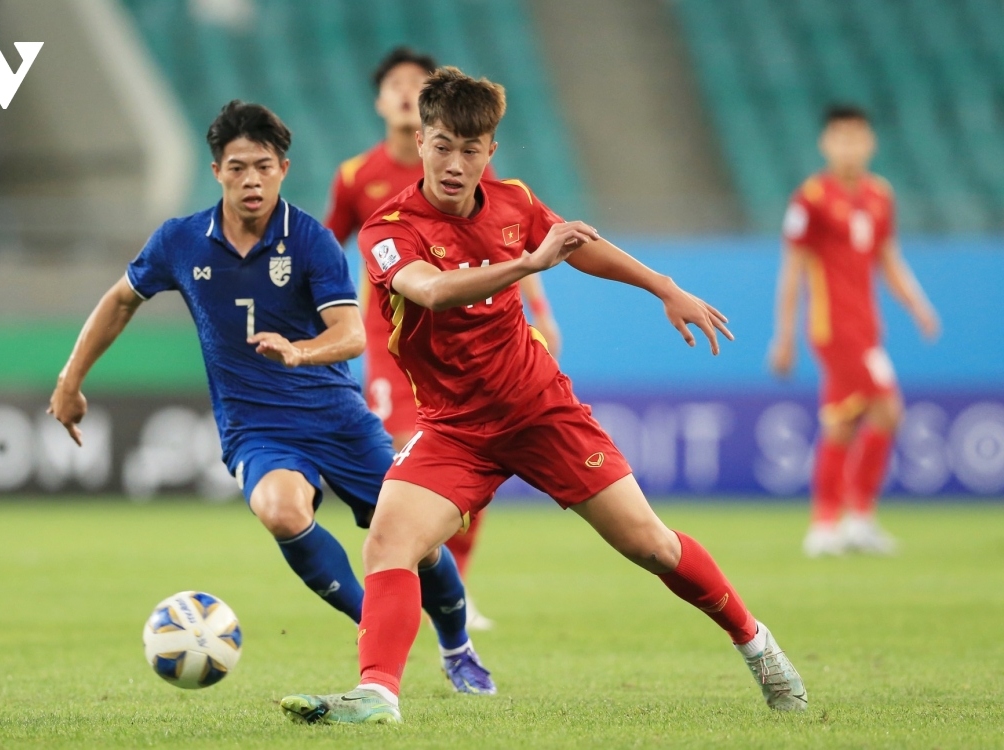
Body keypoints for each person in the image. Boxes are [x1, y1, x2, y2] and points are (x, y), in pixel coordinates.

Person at [279, 67, 807, 725]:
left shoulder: (513, 203)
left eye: (470, 150)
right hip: (456, 428)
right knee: (388, 542)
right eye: (442, 144)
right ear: (422, 142)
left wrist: (663, 286)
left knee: (651, 545)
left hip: (539, 411)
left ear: (489, 153)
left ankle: (756, 644)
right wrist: (530, 263)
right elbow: (433, 291)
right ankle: (378, 694)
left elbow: (580, 247)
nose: (454, 162)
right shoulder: (387, 229)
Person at [47, 100, 493, 693]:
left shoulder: (309, 240)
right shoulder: (181, 241)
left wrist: (299, 350)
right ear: (216, 173)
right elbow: (121, 299)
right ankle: (377, 629)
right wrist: (69, 381)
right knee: (282, 510)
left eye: (262, 166)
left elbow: (353, 335)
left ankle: (457, 646)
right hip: (257, 428)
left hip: (338, 419)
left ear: (283, 168)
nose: (250, 180)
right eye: (236, 168)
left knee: (421, 541)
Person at [326, 47, 562, 628]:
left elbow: (507, 245)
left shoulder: (460, 163)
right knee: (411, 451)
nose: (407, 92)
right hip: (393, 340)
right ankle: (419, 574)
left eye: (417, 83)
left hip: (471, 339)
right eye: (396, 85)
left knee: (466, 453)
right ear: (381, 101)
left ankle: (453, 582)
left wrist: (541, 312)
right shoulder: (359, 177)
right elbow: (329, 246)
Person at [770, 105, 939, 558]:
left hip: (867, 327)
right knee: (886, 408)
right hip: (833, 327)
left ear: (870, 143)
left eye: (857, 137)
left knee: (843, 422)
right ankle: (850, 518)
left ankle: (832, 523)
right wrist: (783, 334)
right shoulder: (811, 198)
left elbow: (888, 259)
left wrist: (918, 305)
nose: (849, 146)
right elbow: (793, 269)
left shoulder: (880, 195)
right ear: (826, 144)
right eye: (840, 138)